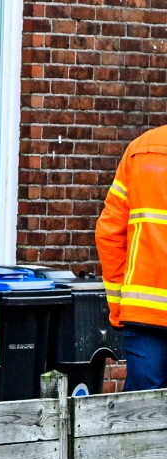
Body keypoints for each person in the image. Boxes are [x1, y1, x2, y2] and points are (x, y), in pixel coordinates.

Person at [97, 125, 167, 392]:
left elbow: (109, 234)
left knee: (140, 417)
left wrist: (118, 306)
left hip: (144, 311)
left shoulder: (141, 149)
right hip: (143, 313)